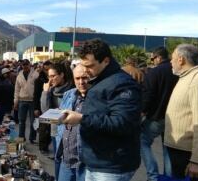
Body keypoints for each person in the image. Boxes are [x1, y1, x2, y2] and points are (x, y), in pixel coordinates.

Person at [61, 39, 141, 181]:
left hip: (112, 165)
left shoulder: (122, 84)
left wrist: (81, 119)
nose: (85, 70)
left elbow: (122, 123)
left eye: (90, 66)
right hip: (95, 161)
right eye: (83, 65)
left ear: (105, 61)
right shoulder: (99, 79)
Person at [164, 45, 198, 180]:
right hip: (177, 149)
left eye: (172, 59)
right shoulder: (185, 77)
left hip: (186, 153)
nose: (170, 62)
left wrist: (196, 160)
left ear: (181, 60)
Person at [141, 47, 178, 181]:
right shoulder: (178, 71)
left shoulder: (154, 73)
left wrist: (142, 112)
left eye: (153, 59)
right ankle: (168, 177)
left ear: (158, 57)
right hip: (175, 118)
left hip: (157, 117)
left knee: (142, 141)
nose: (153, 61)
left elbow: (148, 96)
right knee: (167, 147)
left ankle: (153, 175)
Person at [55, 64, 91, 181]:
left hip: (85, 163)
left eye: (84, 77)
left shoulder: (97, 97)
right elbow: (60, 122)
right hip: (66, 159)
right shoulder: (69, 94)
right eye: (77, 78)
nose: (81, 82)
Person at [41, 62, 74, 157]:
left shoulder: (72, 90)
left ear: (62, 75)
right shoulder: (50, 91)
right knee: (58, 159)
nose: (50, 80)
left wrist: (57, 112)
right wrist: (45, 92)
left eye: (53, 76)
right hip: (55, 130)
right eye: (49, 76)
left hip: (69, 131)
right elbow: (45, 113)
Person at [14, 59, 38, 143]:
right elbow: (16, 90)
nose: (25, 66)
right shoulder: (19, 75)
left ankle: (32, 138)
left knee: (33, 121)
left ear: (29, 65)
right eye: (23, 65)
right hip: (22, 100)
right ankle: (21, 137)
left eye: (26, 64)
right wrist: (15, 101)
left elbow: (38, 89)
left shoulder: (35, 74)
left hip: (32, 101)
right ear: (21, 65)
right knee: (21, 121)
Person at [34, 61, 52, 153]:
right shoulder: (39, 80)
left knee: (50, 129)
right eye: (46, 69)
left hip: (51, 107)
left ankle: (46, 145)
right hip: (42, 107)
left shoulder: (52, 79)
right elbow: (36, 95)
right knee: (43, 128)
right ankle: (42, 147)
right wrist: (36, 108)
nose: (47, 71)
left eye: (49, 69)